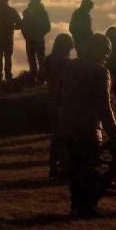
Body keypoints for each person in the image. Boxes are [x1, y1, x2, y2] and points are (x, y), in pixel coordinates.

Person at [55, 33, 116, 217]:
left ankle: (77, 206)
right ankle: (86, 208)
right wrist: (115, 134)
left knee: (75, 170)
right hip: (88, 128)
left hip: (66, 126)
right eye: (106, 52)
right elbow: (104, 106)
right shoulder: (101, 72)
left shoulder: (70, 67)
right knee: (90, 169)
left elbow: (60, 95)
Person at [44, 33, 75, 178]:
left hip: (51, 100)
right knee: (63, 136)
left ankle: (53, 167)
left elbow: (41, 76)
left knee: (56, 135)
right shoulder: (67, 63)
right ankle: (64, 166)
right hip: (63, 101)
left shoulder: (48, 60)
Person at [21, 0, 52, 80]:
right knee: (38, 59)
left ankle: (35, 77)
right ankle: (39, 77)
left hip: (31, 40)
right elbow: (47, 27)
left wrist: (28, 36)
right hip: (36, 40)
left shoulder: (28, 12)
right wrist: (39, 34)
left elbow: (23, 27)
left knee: (34, 60)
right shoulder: (42, 12)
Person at [0, 0, 21, 81]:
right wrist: (11, 27)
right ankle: (8, 77)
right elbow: (20, 24)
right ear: (7, 0)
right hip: (7, 38)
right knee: (7, 58)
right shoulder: (12, 11)